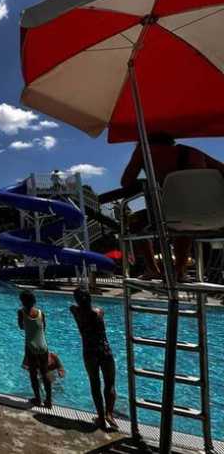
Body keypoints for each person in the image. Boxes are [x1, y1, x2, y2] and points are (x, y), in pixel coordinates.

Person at [121, 132, 224, 282]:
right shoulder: (193, 152)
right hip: (215, 216)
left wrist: (151, 181)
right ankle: (179, 270)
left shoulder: (144, 151)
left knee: (136, 221)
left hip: (173, 215)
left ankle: (153, 269)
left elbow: (126, 182)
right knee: (184, 217)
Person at [70, 288, 117, 430]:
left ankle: (101, 418)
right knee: (110, 384)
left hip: (89, 352)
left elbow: (74, 306)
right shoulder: (99, 312)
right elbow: (99, 313)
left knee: (95, 384)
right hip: (104, 350)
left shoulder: (74, 311)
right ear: (90, 299)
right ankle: (109, 413)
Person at [17, 290, 52, 408]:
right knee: (45, 373)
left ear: (22, 301)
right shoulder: (41, 313)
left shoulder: (21, 312)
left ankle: (37, 399)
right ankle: (49, 401)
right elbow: (44, 328)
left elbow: (21, 326)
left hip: (30, 346)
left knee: (33, 374)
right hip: (43, 346)